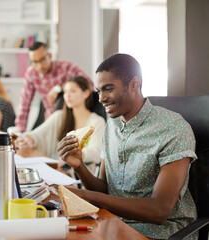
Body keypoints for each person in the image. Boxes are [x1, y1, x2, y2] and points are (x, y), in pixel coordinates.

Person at [57, 54, 198, 239]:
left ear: (134, 84)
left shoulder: (172, 128)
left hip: (162, 231)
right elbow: (105, 190)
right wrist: (79, 166)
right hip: (115, 222)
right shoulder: (112, 127)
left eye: (108, 89)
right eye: (99, 91)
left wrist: (85, 196)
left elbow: (159, 211)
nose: (101, 99)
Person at [15, 76, 105, 174]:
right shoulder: (59, 116)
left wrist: (77, 155)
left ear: (86, 93)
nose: (67, 96)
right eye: (65, 92)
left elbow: (96, 153)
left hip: (76, 173)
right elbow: (37, 134)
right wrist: (27, 139)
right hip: (56, 166)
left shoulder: (97, 121)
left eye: (73, 91)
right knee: (22, 152)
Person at [15, 41, 93, 133]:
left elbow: (89, 84)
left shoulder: (66, 67)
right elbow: (25, 103)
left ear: (50, 56)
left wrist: (59, 88)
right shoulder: (31, 73)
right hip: (50, 121)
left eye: (42, 60)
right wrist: (19, 133)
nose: (39, 66)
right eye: (35, 62)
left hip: (71, 120)